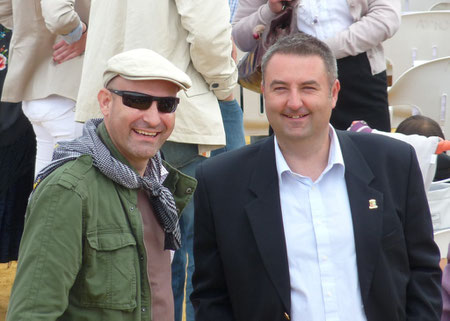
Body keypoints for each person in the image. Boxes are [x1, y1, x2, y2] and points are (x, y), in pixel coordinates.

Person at [191, 33, 442, 321]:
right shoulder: (220, 182)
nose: (294, 102)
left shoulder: (394, 163)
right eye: (280, 88)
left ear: (334, 92)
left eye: (308, 88)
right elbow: (212, 297)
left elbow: (423, 272)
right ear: (263, 91)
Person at [74, 2, 238, 320]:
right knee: (205, 251)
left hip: (117, 108)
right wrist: (226, 86)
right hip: (179, 108)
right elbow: (208, 33)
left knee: (146, 252)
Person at [6, 49, 197, 321]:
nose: (154, 118)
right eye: (137, 101)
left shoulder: (159, 185)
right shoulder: (68, 191)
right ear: (105, 102)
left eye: (166, 105)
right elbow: (33, 313)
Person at [232, 0, 401, 132]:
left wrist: (319, 51)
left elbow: (387, 18)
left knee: (370, 160)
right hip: (292, 76)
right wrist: (269, 9)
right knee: (292, 162)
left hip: (359, 72)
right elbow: (241, 37)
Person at [0, 0, 89, 176]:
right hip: (68, 91)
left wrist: (34, 31)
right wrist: (82, 34)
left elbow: (4, 8)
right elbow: (58, 17)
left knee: (44, 192)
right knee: (69, 193)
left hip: (38, 90)